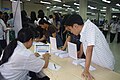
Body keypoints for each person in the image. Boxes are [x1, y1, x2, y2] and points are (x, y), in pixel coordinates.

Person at [64, 14, 115, 80]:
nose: (71, 32)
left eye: (70, 29)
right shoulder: (83, 30)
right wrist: (79, 53)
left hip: (105, 64)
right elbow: (83, 43)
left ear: (75, 26)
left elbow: (89, 50)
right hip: (96, 64)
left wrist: (86, 70)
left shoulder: (90, 28)